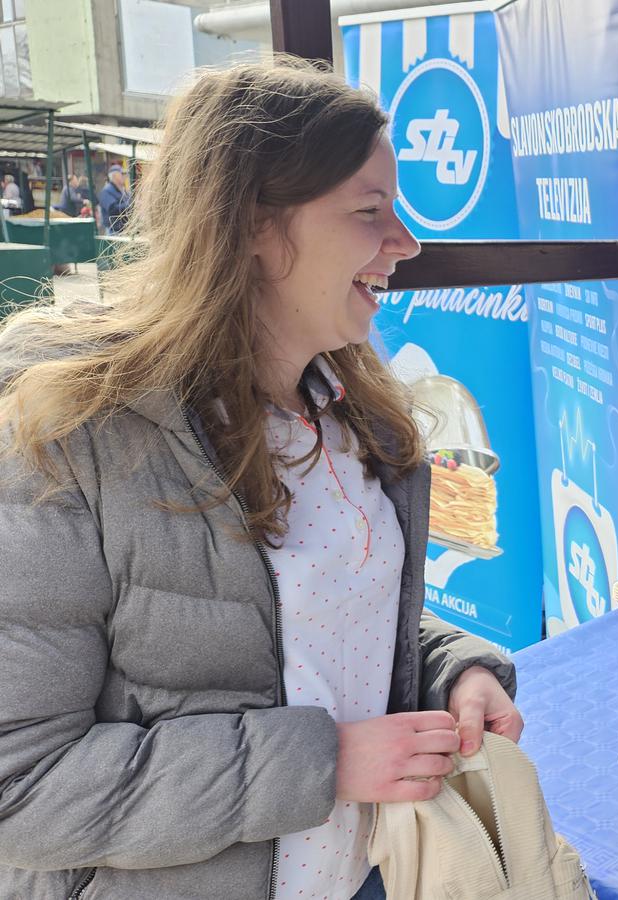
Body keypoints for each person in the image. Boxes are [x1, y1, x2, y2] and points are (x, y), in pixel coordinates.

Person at [0, 60, 523, 900]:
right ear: (249, 223)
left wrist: (451, 668)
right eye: (369, 211)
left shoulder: (348, 407)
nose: (406, 242)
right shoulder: (72, 435)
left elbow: (315, 620)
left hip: (364, 872)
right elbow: (21, 785)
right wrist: (326, 762)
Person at [98, 164, 134, 234]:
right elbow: (112, 209)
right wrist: (130, 205)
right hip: (114, 232)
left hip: (124, 230)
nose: (125, 176)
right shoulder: (107, 191)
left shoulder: (123, 190)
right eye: (122, 174)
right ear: (114, 176)